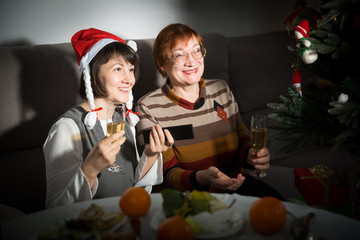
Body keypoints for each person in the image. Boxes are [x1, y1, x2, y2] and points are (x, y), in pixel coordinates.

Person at [135, 23, 282, 199]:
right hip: (189, 196)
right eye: (179, 54)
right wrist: (205, 177)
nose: (191, 61)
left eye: (196, 51)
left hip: (237, 184)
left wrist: (252, 157)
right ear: (162, 63)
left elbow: (243, 141)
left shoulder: (221, 89)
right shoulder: (148, 107)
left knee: (283, 211)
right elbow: (167, 176)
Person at [43, 28, 174, 208]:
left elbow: (135, 192)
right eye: (118, 69)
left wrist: (150, 155)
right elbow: (55, 211)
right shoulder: (66, 128)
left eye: (131, 69)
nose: (129, 79)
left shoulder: (124, 120)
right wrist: (90, 170)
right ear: (93, 73)